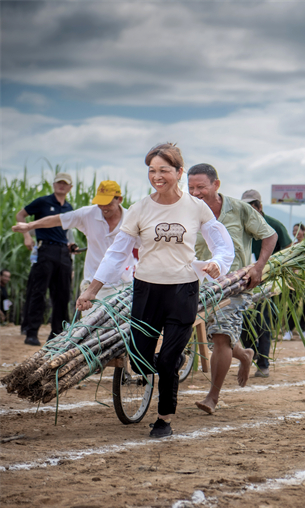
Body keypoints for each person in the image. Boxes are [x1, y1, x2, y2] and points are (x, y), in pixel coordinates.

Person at [76, 143, 234, 438]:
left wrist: (217, 263)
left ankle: (164, 419)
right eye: (151, 170)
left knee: (167, 360)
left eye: (164, 170)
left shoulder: (196, 207)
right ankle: (172, 362)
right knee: (139, 358)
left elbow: (222, 244)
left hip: (183, 291)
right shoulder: (139, 209)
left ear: (179, 172)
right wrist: (92, 290)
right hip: (147, 290)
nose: (157, 176)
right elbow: (117, 253)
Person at [188, 164, 277, 413]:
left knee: (220, 336)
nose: (195, 193)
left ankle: (212, 397)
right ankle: (245, 355)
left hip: (235, 284)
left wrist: (258, 267)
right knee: (218, 335)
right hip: (198, 285)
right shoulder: (187, 210)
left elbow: (270, 236)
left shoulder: (239, 209)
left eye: (201, 187)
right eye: (191, 187)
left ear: (216, 185)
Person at [13, 181, 135, 317]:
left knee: (122, 324)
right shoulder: (88, 214)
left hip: (124, 283)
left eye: (108, 203)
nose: (104, 207)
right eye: (100, 203)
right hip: (92, 283)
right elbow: (57, 219)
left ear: (119, 200)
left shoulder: (131, 218)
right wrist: (29, 226)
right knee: (92, 323)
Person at [16, 172, 75, 345]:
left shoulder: (69, 208)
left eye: (65, 183)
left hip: (63, 252)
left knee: (63, 294)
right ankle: (31, 332)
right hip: (45, 250)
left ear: (70, 187)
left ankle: (57, 334)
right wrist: (27, 236)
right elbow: (20, 215)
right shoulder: (42, 202)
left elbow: (67, 232)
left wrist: (70, 246)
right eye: (59, 182)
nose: (61, 186)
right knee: (38, 292)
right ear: (54, 185)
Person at [240, 189, 293, 378]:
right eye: (245, 207)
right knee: (242, 321)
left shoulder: (274, 225)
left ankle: (263, 364)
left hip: (268, 283)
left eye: (252, 206)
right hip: (243, 282)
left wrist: (277, 269)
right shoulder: (241, 226)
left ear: (259, 206)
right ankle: (251, 352)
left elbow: (288, 249)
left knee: (263, 322)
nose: (249, 210)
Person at [284, 224, 305, 341]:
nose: (295, 233)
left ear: (304, 231)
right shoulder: (292, 247)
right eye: (293, 230)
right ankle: (289, 330)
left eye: (298, 230)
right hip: (295, 280)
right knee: (292, 305)